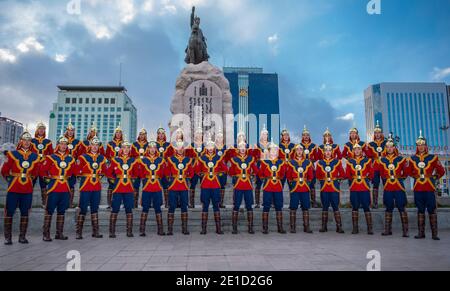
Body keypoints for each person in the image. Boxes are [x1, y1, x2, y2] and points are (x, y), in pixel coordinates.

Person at [1, 130, 40, 245]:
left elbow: (35, 172)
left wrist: (29, 179)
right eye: (24, 140)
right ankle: (8, 238)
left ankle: (22, 237)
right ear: (20, 141)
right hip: (14, 187)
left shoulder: (34, 156)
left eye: (29, 141)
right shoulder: (13, 154)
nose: (27, 142)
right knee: (9, 212)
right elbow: (4, 171)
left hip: (27, 188)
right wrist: (11, 179)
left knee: (25, 212)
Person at [409, 131, 445, 240]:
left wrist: (434, 177)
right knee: (420, 210)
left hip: (429, 187)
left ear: (426, 146)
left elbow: (441, 171)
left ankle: (434, 234)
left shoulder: (433, 158)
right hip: (418, 188)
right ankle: (421, 233)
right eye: (419, 145)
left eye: (422, 145)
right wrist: (414, 175)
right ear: (417, 146)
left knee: (432, 209)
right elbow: (408, 171)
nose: (421, 147)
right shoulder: (412, 158)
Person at [40, 135, 76, 241]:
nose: (63, 146)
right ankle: (46, 234)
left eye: (65, 144)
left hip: (65, 188)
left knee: (61, 211)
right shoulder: (51, 157)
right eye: (61, 144)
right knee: (49, 210)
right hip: (53, 188)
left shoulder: (71, 159)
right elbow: (42, 170)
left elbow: (74, 174)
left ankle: (59, 233)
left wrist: (70, 184)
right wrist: (48, 181)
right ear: (58, 145)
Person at [74, 136, 107, 239]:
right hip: (85, 185)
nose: (95, 147)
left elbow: (105, 170)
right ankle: (78, 232)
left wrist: (101, 173)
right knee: (83, 208)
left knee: (95, 208)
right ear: (90, 146)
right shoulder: (82, 157)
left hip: (96, 186)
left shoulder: (102, 158)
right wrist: (83, 172)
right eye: (93, 145)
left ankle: (95, 232)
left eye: (97, 145)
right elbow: (76, 170)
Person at [106, 140, 140, 238]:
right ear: (121, 149)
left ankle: (129, 231)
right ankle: (112, 232)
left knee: (129, 209)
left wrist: (131, 181)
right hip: (117, 188)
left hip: (129, 188)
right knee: (115, 209)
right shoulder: (115, 160)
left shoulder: (133, 160)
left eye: (128, 148)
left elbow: (135, 174)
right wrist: (115, 181)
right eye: (124, 147)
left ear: (130, 149)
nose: (126, 149)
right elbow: (109, 173)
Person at [377, 136, 409, 237]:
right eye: (387, 147)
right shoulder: (382, 160)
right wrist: (386, 180)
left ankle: (405, 231)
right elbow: (381, 173)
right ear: (386, 148)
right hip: (388, 187)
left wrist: (399, 178)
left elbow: (406, 172)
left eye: (391, 147)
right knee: (388, 207)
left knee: (401, 207)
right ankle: (387, 230)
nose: (389, 148)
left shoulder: (401, 159)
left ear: (394, 148)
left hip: (399, 186)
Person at [196, 138, 228, 235]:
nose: (210, 148)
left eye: (212, 146)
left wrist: (219, 175)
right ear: (206, 147)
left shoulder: (218, 158)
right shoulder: (202, 157)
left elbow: (225, 169)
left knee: (216, 206)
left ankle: (218, 229)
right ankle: (204, 229)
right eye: (208, 146)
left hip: (215, 185)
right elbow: (197, 170)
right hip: (205, 185)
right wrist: (201, 174)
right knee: (205, 206)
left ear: (214, 147)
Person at [228, 141, 259, 234]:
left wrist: (253, 174)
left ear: (246, 148)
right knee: (236, 205)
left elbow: (256, 170)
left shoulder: (250, 158)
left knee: (249, 206)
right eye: (240, 146)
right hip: (238, 185)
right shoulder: (234, 159)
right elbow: (230, 172)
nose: (242, 148)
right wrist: (236, 175)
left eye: (244, 146)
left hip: (248, 185)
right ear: (238, 148)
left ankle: (250, 228)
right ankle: (234, 228)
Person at [165, 141, 195, 235]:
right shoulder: (171, 159)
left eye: (182, 148)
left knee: (184, 207)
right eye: (178, 147)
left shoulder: (188, 159)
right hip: (173, 185)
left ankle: (184, 229)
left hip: (184, 186)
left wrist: (188, 176)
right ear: (175, 149)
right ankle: (170, 229)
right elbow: (166, 171)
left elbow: (191, 172)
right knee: (172, 207)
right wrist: (169, 178)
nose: (180, 149)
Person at [138, 140, 166, 236]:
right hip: (147, 186)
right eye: (151, 148)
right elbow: (141, 173)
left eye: (154, 148)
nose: (152, 149)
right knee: (145, 208)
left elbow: (162, 173)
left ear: (156, 149)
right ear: (148, 149)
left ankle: (160, 230)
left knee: (158, 208)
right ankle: (142, 230)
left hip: (157, 186)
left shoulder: (161, 160)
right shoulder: (143, 160)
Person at [316, 145, 346, 234]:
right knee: (324, 207)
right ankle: (324, 226)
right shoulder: (320, 162)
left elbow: (343, 174)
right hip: (324, 187)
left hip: (334, 188)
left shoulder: (337, 162)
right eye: (326, 150)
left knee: (335, 207)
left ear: (332, 152)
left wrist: (337, 179)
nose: (328, 152)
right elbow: (317, 175)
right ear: (324, 152)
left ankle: (339, 227)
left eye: (329, 150)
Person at [259, 141, 288, 234]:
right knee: (266, 205)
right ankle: (265, 228)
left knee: (279, 206)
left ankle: (280, 227)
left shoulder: (281, 162)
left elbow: (283, 174)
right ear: (269, 152)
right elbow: (261, 174)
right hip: (268, 186)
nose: (274, 152)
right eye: (272, 151)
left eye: (276, 151)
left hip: (278, 187)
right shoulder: (265, 162)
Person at [346, 144, 374, 235]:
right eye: (355, 149)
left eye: (359, 149)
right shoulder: (350, 161)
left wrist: (366, 179)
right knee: (354, 207)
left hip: (364, 186)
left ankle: (369, 228)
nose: (357, 151)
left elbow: (371, 173)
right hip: (354, 186)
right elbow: (348, 174)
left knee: (366, 206)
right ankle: (355, 228)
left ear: (361, 151)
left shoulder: (367, 160)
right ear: (353, 151)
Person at [286, 144, 314, 233]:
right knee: (293, 207)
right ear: (295, 151)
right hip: (295, 187)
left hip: (304, 188)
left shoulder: (308, 162)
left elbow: (310, 176)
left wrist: (307, 183)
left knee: (305, 207)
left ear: (303, 151)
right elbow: (289, 176)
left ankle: (306, 227)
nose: (299, 151)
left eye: (300, 150)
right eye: (297, 150)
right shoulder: (291, 162)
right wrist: (292, 184)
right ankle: (293, 227)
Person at [30, 121, 54, 208]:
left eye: (43, 129)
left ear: (45, 130)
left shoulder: (48, 141)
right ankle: (27, 202)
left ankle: (44, 203)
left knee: (43, 185)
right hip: (33, 166)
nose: (41, 130)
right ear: (37, 130)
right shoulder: (31, 141)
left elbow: (51, 155)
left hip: (43, 167)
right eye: (40, 129)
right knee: (30, 184)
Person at [366, 121, 386, 209]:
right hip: (375, 167)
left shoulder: (386, 143)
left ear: (381, 134)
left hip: (385, 167)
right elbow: (368, 157)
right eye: (376, 133)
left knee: (387, 184)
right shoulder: (370, 144)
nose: (377, 134)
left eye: (379, 133)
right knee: (375, 184)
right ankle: (375, 203)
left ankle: (387, 202)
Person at [106, 124, 127, 208]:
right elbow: (107, 155)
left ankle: (124, 203)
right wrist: (110, 162)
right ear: (114, 134)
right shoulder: (110, 143)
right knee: (111, 184)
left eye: (120, 132)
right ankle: (109, 204)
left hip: (122, 167)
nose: (118, 134)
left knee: (123, 184)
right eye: (117, 132)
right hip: (112, 166)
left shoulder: (124, 143)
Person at [64, 119, 82, 208]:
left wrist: (78, 163)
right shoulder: (62, 140)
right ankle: (63, 203)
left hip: (73, 166)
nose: (70, 132)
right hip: (62, 166)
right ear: (66, 131)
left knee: (71, 185)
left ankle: (70, 203)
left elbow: (80, 154)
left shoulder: (77, 142)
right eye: (69, 130)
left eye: (72, 131)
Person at [131, 127, 149, 211]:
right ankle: (134, 204)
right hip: (136, 167)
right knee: (135, 186)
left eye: (144, 134)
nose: (142, 136)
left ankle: (145, 203)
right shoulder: (134, 144)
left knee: (145, 186)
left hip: (145, 167)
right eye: (141, 134)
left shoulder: (149, 144)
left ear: (146, 135)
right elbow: (131, 156)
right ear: (139, 135)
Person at [300, 126, 319, 208]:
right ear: (302, 136)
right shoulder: (299, 146)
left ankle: (313, 201)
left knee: (312, 184)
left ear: (309, 136)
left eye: (307, 135)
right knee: (302, 184)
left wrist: (311, 161)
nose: (306, 136)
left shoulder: (314, 145)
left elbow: (317, 157)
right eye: (304, 135)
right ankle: (302, 202)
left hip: (311, 167)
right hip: (301, 168)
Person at [252, 126, 270, 209]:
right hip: (259, 165)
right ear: (261, 135)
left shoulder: (271, 144)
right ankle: (257, 203)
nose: (264, 136)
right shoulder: (257, 144)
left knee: (268, 184)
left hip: (268, 166)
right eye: (263, 134)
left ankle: (267, 202)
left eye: (266, 134)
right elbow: (253, 157)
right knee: (258, 184)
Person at [188, 127, 205, 208]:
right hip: (194, 168)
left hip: (203, 168)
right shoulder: (191, 145)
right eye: (197, 133)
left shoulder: (205, 145)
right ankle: (192, 202)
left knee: (204, 185)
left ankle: (203, 202)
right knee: (192, 185)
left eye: (200, 133)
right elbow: (188, 157)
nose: (199, 135)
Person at [156, 127, 171, 208]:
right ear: (157, 135)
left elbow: (171, 156)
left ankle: (167, 203)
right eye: (159, 133)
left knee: (166, 185)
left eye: (162, 133)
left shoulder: (168, 145)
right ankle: (155, 202)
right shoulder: (154, 144)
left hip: (165, 167)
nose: (161, 135)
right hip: (155, 167)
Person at [215, 130, 229, 209]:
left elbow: (227, 158)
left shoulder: (225, 148)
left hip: (223, 170)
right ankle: (216, 202)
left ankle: (221, 202)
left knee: (222, 186)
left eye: (221, 137)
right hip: (216, 171)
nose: (220, 138)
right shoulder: (213, 147)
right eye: (218, 137)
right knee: (216, 186)